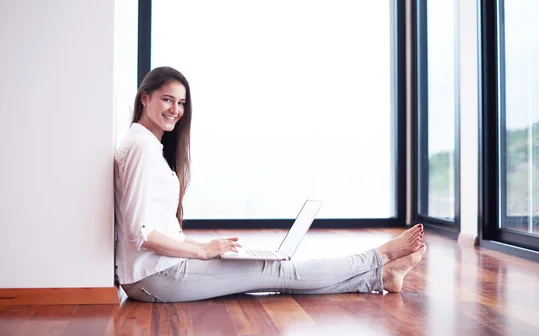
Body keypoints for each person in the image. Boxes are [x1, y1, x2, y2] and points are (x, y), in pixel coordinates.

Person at [115, 66, 427, 303]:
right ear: (145, 98)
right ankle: (378, 257)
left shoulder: (147, 146)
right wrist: (201, 252)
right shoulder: (141, 147)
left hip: (159, 271)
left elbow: (158, 227)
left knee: (274, 271)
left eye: (181, 103)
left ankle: (382, 276)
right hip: (155, 278)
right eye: (167, 99)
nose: (176, 110)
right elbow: (139, 233)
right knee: (273, 270)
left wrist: (204, 247)